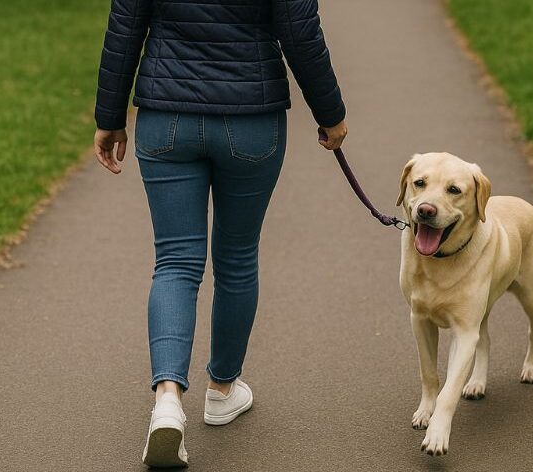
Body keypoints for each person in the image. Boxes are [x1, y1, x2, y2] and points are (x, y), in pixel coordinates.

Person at [93, 0, 347, 467]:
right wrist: (329, 111)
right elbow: (298, 29)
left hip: (165, 115)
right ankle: (222, 390)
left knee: (175, 262)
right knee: (236, 257)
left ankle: (167, 400)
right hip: (251, 116)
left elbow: (125, 23)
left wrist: (108, 116)